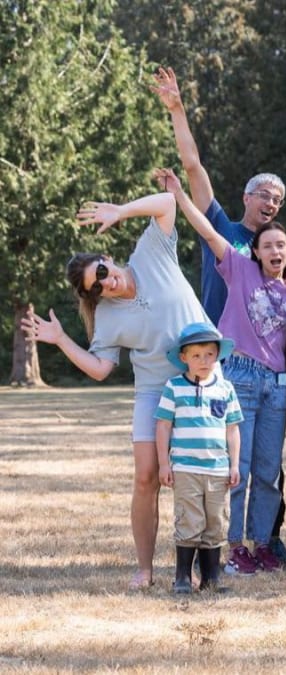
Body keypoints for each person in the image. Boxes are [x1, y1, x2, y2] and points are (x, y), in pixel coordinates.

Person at [23, 189, 206, 590]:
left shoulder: (150, 252)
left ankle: (194, 567)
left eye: (102, 272)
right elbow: (100, 369)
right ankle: (145, 570)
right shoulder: (106, 317)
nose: (107, 283)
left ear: (107, 258)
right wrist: (61, 340)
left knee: (195, 476)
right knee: (146, 478)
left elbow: (168, 202)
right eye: (97, 287)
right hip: (154, 392)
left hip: (201, 383)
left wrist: (122, 211)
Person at [151, 67, 286, 565]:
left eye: (278, 199)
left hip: (268, 368)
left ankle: (265, 541)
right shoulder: (225, 233)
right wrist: (177, 110)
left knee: (265, 463)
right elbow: (194, 168)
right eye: (264, 195)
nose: (270, 202)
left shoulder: (278, 261)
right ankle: (219, 542)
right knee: (224, 458)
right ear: (246, 198)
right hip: (216, 357)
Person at [155, 323, 242, 594]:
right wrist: (164, 463)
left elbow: (232, 429)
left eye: (209, 354)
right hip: (186, 468)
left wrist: (234, 464)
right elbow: (163, 426)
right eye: (196, 355)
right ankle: (182, 577)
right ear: (184, 358)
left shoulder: (225, 389)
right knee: (189, 521)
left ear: (218, 356)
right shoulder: (174, 387)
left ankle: (211, 579)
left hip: (218, 470)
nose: (204, 361)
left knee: (216, 522)